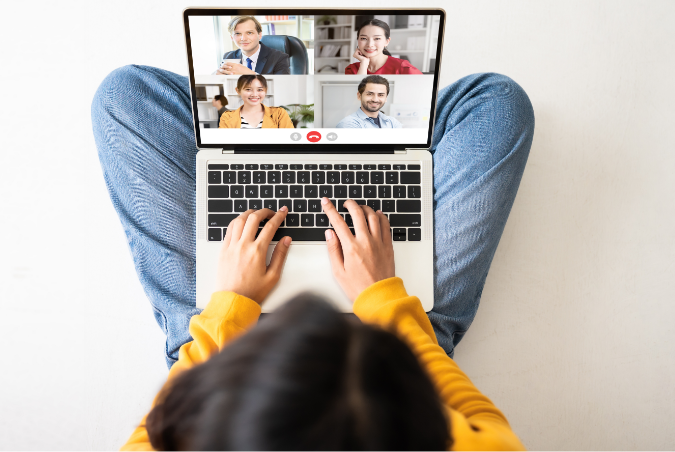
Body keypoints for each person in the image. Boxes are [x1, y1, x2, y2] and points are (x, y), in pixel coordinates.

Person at [91, 65, 535, 449]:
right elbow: (487, 430)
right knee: (496, 102)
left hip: (229, 359)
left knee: (124, 94)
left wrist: (228, 304)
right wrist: (384, 299)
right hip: (394, 358)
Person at [215, 16, 290, 76]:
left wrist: (249, 74)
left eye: (249, 33)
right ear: (232, 37)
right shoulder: (228, 56)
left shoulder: (279, 57)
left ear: (259, 35)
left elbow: (281, 88)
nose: (243, 38)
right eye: (237, 33)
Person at [345, 19, 423, 75]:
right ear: (358, 40)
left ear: (387, 41)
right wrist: (364, 64)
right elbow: (356, 94)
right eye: (364, 38)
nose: (370, 44)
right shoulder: (352, 69)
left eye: (377, 38)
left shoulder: (402, 67)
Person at [218, 74, 293, 129]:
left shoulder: (279, 114)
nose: (254, 94)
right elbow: (224, 145)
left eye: (260, 90)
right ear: (238, 90)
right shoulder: (227, 117)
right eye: (248, 89)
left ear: (265, 90)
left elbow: (289, 143)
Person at [337, 75, 403, 128]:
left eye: (380, 95)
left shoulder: (392, 122)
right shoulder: (348, 124)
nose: (375, 99)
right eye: (370, 94)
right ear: (359, 96)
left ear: (386, 98)